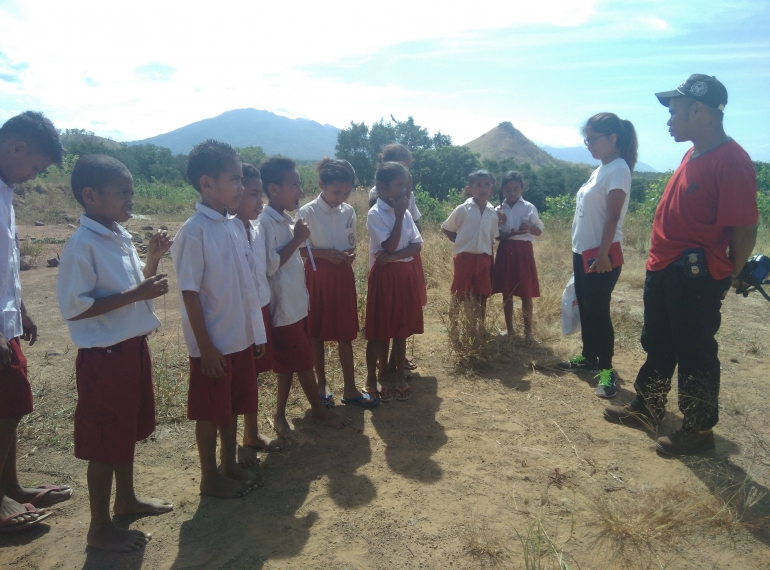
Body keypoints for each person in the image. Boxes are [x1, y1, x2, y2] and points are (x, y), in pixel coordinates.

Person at [604, 75, 758, 455]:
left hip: (694, 274)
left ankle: (699, 431)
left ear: (697, 109)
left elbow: (745, 228)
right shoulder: (693, 152)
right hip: (665, 268)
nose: (669, 121)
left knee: (695, 352)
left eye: (674, 112)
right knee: (658, 343)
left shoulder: (732, 160)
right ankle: (648, 406)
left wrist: (730, 274)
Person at [57, 155, 174, 551]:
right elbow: (76, 307)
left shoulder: (117, 234)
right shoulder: (81, 245)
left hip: (130, 350)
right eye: (121, 192)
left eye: (131, 190)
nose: (130, 198)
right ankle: (99, 527)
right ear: (91, 196)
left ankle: (125, 500)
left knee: (125, 430)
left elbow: (130, 285)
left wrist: (153, 258)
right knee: (105, 439)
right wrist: (138, 294)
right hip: (104, 358)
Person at [171, 140, 267, 499]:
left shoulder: (230, 225)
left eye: (242, 179)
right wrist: (206, 347)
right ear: (207, 184)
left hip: (239, 338)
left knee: (233, 407)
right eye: (235, 179)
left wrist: (255, 333)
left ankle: (229, 465)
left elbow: (244, 287)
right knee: (211, 413)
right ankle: (209, 477)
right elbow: (190, 293)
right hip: (214, 346)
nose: (241, 187)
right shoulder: (194, 231)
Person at [0, 111, 69, 534]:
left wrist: (20, 307)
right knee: (9, 406)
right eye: (36, 167)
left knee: (11, 407)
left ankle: (11, 485)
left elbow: (5, 261)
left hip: (6, 320)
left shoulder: (6, 190)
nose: (32, 175)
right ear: (16, 148)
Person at [256, 156, 352, 437]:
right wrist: (298, 240)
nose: (300, 191)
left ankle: (280, 414)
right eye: (294, 185)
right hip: (283, 308)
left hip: (296, 305)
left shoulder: (285, 220)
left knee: (288, 365)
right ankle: (319, 412)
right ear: (274, 189)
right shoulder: (265, 223)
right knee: (302, 362)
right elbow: (270, 265)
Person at [557, 112, 638, 399]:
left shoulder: (618, 169)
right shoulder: (600, 168)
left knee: (599, 312)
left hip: (601, 255)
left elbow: (613, 216)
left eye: (593, 140)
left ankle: (607, 370)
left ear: (612, 138)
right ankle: (589, 357)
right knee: (587, 308)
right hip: (583, 251)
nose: (589, 145)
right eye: (586, 140)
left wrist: (603, 255)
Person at [298, 158, 379, 409]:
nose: (341, 198)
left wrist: (350, 253)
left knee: (345, 332)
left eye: (346, 193)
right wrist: (323, 255)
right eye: (336, 192)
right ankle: (321, 385)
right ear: (321, 184)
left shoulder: (349, 212)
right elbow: (300, 249)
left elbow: (351, 241)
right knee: (316, 333)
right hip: (316, 275)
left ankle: (351, 388)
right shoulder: (307, 212)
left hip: (342, 275)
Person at [230, 164, 282, 469]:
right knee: (239, 378)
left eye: (258, 194)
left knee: (253, 377)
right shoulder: (229, 230)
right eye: (251, 194)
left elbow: (265, 269)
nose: (258, 201)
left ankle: (251, 433)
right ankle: (236, 441)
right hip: (240, 314)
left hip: (259, 307)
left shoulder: (257, 227)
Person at [365, 161, 424, 401]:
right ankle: (371, 378)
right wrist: (398, 217)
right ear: (383, 186)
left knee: (401, 328)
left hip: (402, 273)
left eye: (406, 185)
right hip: (384, 277)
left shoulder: (407, 211)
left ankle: (399, 374)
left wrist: (395, 256)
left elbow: (417, 245)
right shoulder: (375, 214)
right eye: (400, 185)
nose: (404, 190)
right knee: (378, 330)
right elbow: (388, 244)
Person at [441, 170, 500, 345]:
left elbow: (492, 236)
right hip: (465, 259)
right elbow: (447, 227)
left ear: (492, 188)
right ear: (470, 188)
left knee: (481, 296)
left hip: (484, 259)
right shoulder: (463, 209)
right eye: (478, 185)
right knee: (459, 294)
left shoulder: (493, 213)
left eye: (487, 185)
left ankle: (476, 329)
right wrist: (457, 239)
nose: (483, 189)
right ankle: (453, 329)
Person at [492, 171, 544, 344]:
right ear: (501, 190)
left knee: (525, 292)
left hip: (523, 251)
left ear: (522, 188)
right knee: (507, 291)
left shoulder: (528, 207)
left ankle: (528, 332)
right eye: (508, 189)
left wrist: (528, 226)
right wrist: (505, 232)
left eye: (516, 189)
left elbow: (538, 231)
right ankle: (510, 329)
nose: (512, 193)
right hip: (506, 250)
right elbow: (496, 235)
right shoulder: (498, 209)